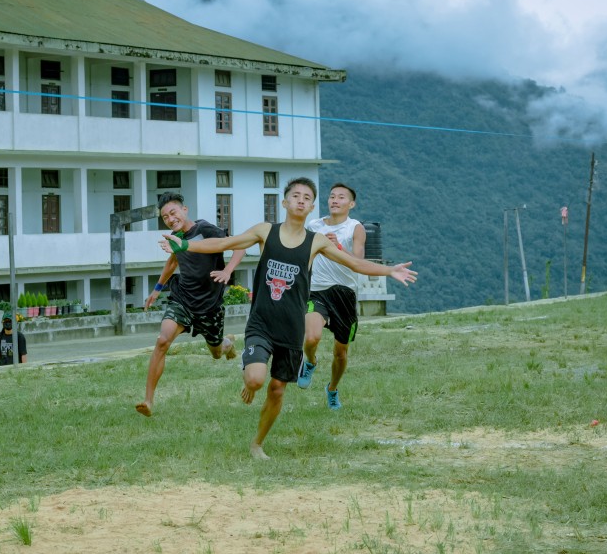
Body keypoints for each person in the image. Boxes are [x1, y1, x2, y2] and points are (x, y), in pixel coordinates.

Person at [161, 177, 417, 460]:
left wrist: (390, 270)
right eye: (295, 195)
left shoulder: (315, 241)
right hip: (261, 321)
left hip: (292, 327)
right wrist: (185, 247)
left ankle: (257, 443)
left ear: (310, 208)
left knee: (278, 389)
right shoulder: (265, 231)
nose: (301, 200)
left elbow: (355, 263)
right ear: (285, 202)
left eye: (307, 197)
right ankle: (249, 378)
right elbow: (224, 242)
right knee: (257, 380)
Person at [135, 192, 246, 417]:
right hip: (182, 298)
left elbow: (240, 246)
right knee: (162, 341)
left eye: (173, 212)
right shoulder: (174, 237)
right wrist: (156, 290)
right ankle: (148, 400)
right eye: (165, 217)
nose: (170, 218)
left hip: (209, 305)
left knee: (216, 352)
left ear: (184, 210)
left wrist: (228, 270)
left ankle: (226, 343)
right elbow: (172, 262)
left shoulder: (206, 230)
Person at [299, 183, 365, 410]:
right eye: (332, 196)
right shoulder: (314, 225)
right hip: (317, 290)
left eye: (341, 197)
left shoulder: (355, 228)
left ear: (351, 204)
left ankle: (333, 389)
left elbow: (358, 263)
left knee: (340, 354)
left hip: (345, 294)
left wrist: (337, 247)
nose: (335, 200)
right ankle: (310, 362)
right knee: (311, 338)